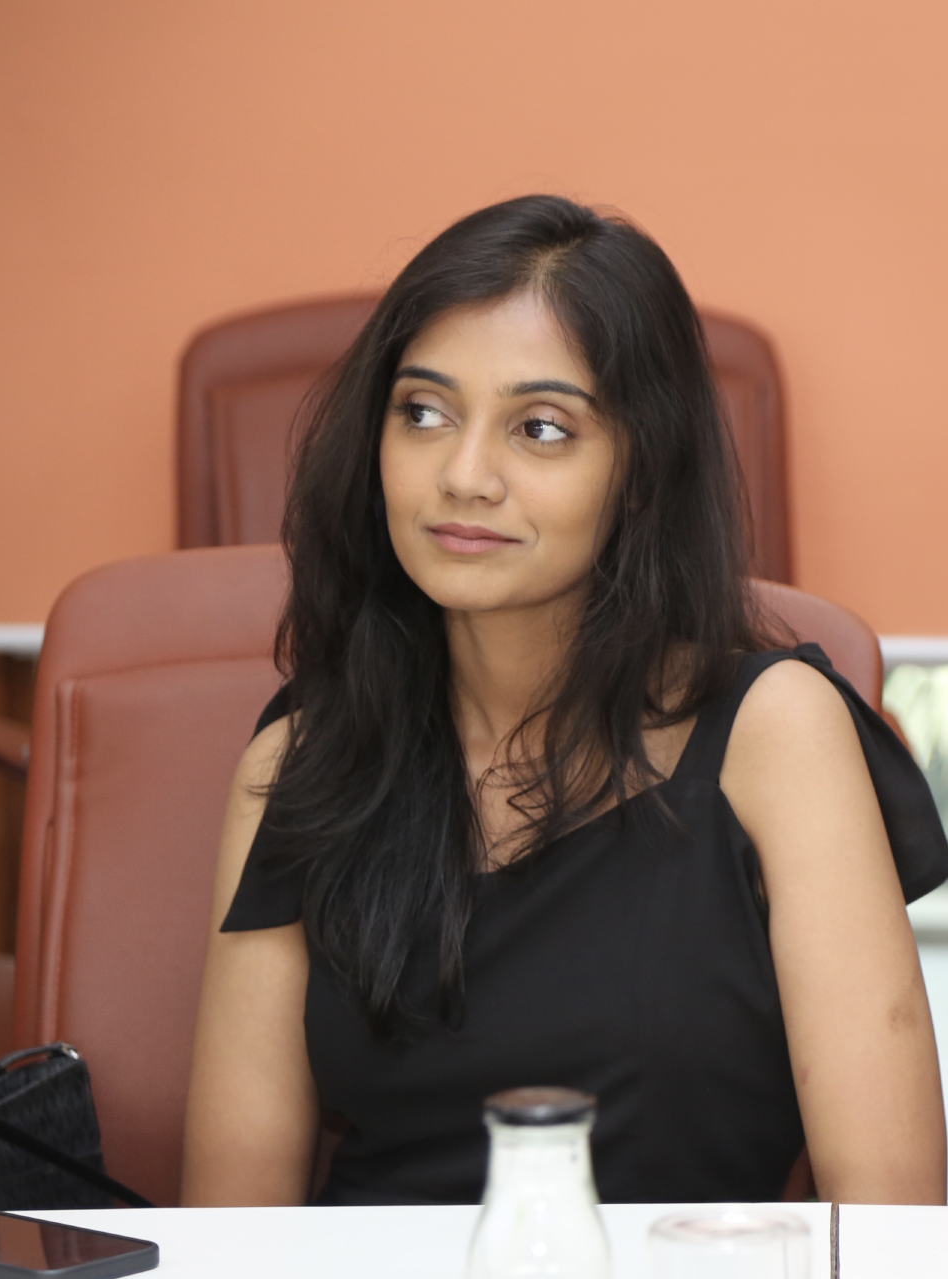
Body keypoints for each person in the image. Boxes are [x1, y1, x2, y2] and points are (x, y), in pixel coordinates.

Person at [181, 196, 948, 1208]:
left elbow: (890, 1216)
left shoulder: (774, 735)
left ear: (639, 472)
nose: (461, 475)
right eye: (423, 412)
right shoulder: (303, 759)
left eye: (540, 429)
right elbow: (234, 1237)